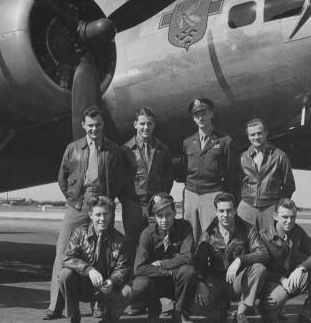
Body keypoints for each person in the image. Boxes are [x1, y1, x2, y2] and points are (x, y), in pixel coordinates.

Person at [44, 106, 124, 320]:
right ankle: (55, 304)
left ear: (103, 125)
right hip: (78, 203)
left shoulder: (113, 149)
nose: (94, 129)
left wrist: (106, 202)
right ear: (83, 126)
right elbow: (62, 177)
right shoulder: (73, 148)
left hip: (102, 203)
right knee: (62, 253)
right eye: (90, 125)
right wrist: (73, 198)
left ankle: (99, 304)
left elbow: (119, 178)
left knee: (102, 253)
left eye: (98, 125)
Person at [194, 193, 268, 323]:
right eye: (221, 211)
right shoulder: (208, 234)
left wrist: (240, 259)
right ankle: (219, 310)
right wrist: (200, 282)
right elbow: (199, 262)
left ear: (235, 210)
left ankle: (241, 314)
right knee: (194, 307)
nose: (225, 215)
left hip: (238, 283)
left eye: (229, 210)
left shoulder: (248, 229)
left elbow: (263, 253)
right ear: (216, 212)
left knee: (259, 268)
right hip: (216, 283)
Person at [124, 193, 197, 323]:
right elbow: (139, 268)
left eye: (168, 214)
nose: (164, 220)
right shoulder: (147, 233)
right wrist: (168, 272)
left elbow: (187, 257)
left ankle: (180, 312)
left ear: (175, 212)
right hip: (155, 282)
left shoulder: (185, 227)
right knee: (140, 284)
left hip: (177, 282)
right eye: (160, 216)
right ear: (154, 217)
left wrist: (163, 264)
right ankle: (153, 310)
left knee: (188, 271)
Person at [259, 198, 311, 323]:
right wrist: (281, 280)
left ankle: (307, 314)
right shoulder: (263, 236)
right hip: (273, 283)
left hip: (293, 279)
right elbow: (259, 269)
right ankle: (268, 309)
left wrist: (301, 268)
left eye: (293, 217)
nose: (289, 221)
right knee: (271, 312)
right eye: (285, 217)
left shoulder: (297, 232)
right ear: (275, 216)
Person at [59, 196, 130, 323]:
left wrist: (112, 281)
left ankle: (108, 315)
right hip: (85, 284)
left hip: (106, 287)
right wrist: (88, 270)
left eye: (106, 214)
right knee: (65, 275)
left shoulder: (120, 239)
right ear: (91, 215)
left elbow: (123, 268)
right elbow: (67, 258)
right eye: (98, 214)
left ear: (111, 214)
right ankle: (73, 315)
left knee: (127, 292)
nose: (102, 219)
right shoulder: (80, 233)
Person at [182, 97, 238, 243]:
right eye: (196, 115)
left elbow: (231, 174)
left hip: (212, 194)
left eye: (203, 113)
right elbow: (184, 170)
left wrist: (223, 197)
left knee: (212, 237)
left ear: (211, 114)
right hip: (191, 195)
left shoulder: (225, 141)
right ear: (193, 118)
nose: (200, 117)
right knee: (190, 236)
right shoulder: (188, 142)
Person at [121, 107, 174, 254]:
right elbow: (119, 179)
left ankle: (154, 274)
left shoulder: (162, 149)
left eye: (149, 124)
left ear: (154, 125)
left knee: (156, 241)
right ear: (135, 124)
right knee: (133, 243)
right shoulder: (125, 150)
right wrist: (128, 200)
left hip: (155, 205)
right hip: (133, 205)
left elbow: (168, 177)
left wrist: (160, 198)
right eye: (142, 123)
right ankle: (134, 275)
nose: (146, 127)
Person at [238, 118, 295, 230]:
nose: (256, 137)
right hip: (246, 207)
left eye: (259, 133)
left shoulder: (280, 156)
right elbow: (236, 184)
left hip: (270, 208)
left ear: (266, 133)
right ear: (248, 137)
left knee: (270, 243)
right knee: (244, 242)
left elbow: (289, 186)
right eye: (252, 134)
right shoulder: (242, 158)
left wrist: (278, 208)